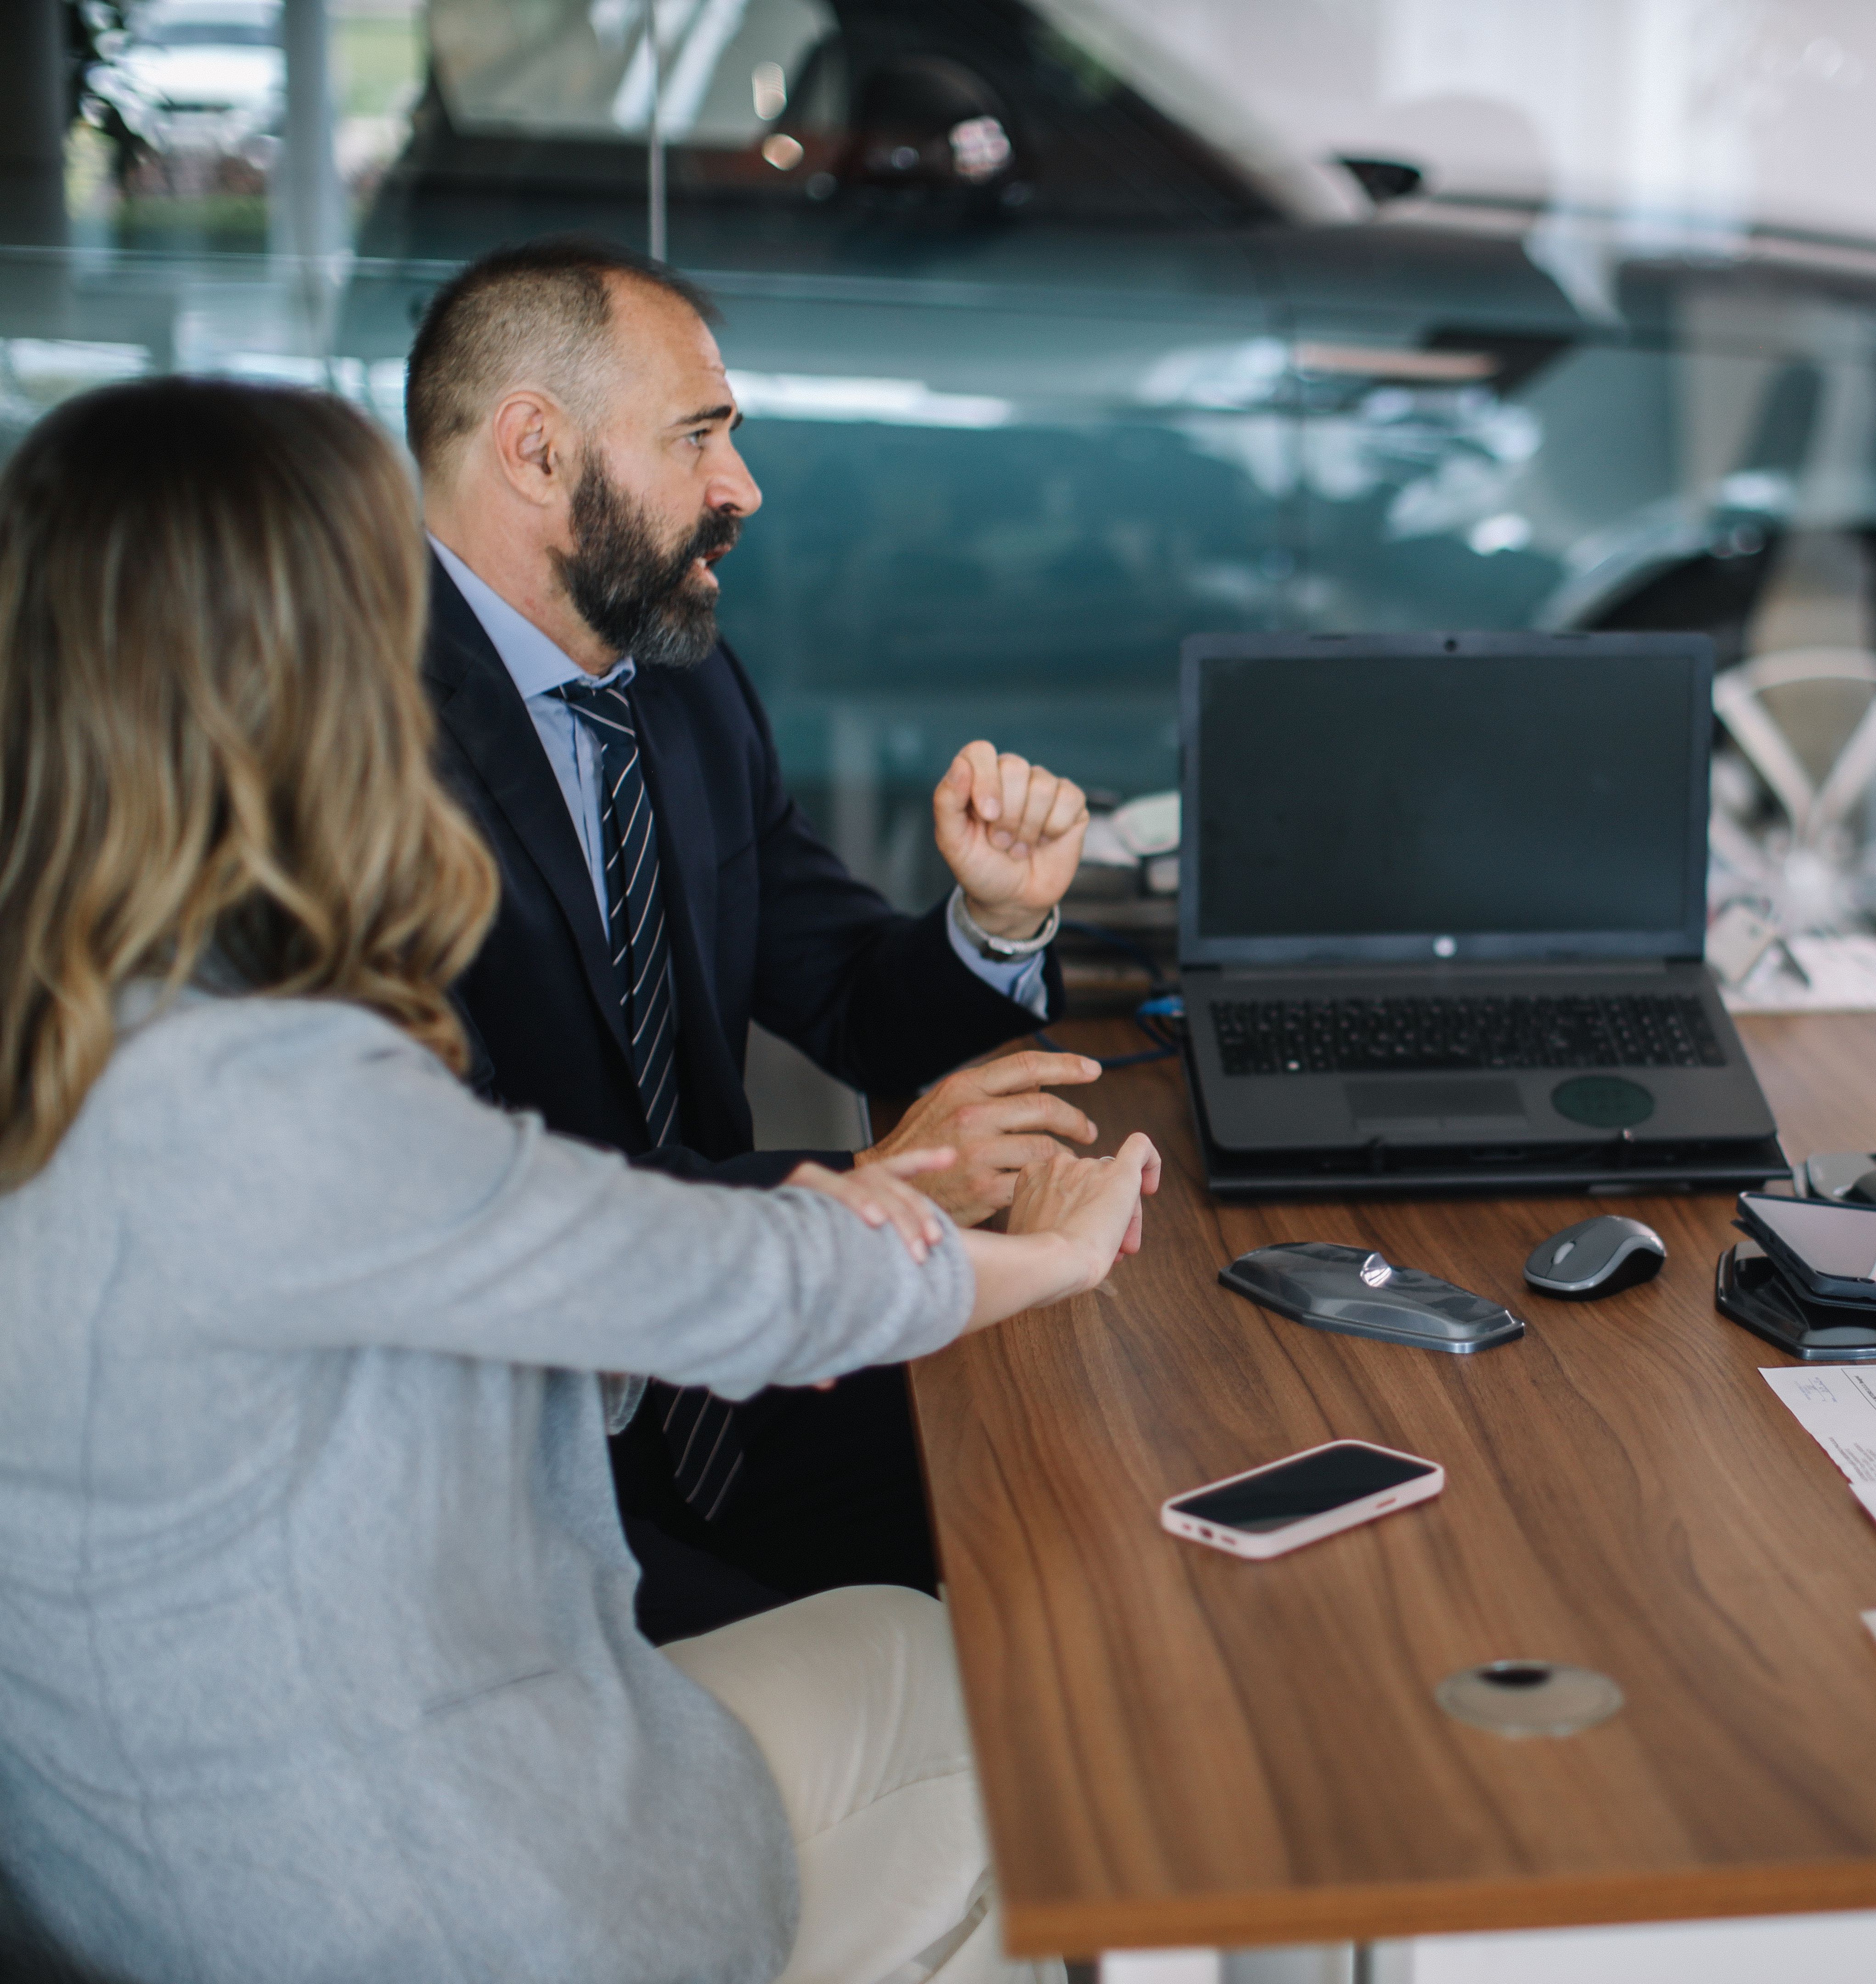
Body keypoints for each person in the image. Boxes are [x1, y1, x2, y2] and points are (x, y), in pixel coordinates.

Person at [0, 375, 1161, 1982]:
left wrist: (992, 944)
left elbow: (572, 1198)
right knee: (1050, 1739)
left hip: (136, 1854)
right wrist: (1046, 1250)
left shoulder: (86, 1017)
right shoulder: (258, 1081)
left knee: (931, 1637)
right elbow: (674, 1272)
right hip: (398, 1895)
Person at [408, 236, 1101, 1635]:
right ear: (537, 453)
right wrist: (859, 1191)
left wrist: (997, 917)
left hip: (743, 1393)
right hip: (521, 1474)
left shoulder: (679, 683)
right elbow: (479, 1218)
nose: (744, 490)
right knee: (997, 1631)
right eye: (700, 438)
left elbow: (849, 996)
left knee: (1094, 1528)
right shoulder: (354, 752)